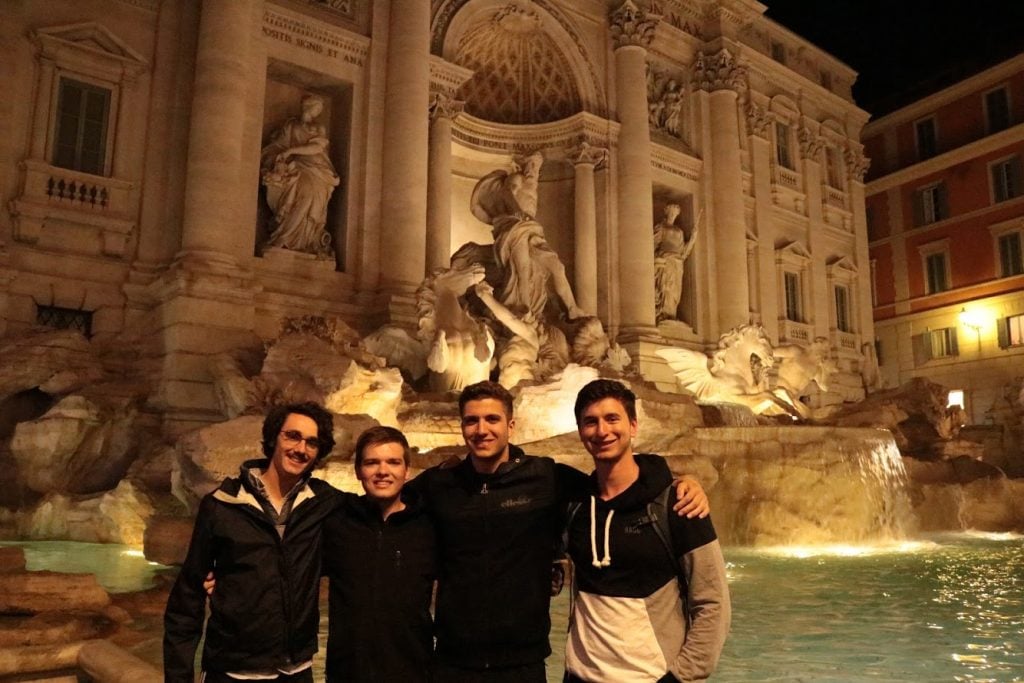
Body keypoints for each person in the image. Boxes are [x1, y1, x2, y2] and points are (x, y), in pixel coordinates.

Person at [411, 380, 710, 682]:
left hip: (523, 662)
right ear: (461, 426)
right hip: (452, 659)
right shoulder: (439, 485)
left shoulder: (544, 477)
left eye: (492, 419)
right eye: (471, 420)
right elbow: (388, 500)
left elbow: (617, 482)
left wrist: (679, 480)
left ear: (511, 425)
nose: (481, 429)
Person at [564, 380, 730, 682]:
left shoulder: (678, 504)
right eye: (591, 422)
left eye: (612, 418)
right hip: (579, 677)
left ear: (634, 425)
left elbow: (712, 603)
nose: (602, 431)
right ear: (580, 431)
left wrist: (681, 676)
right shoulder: (575, 505)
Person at [163, 402, 339, 683]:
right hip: (233, 671)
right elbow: (187, 599)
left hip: (296, 671)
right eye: (292, 436)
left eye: (312, 443)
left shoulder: (326, 504)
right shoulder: (222, 505)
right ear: (272, 438)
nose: (301, 449)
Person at [321, 426, 436, 682]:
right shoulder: (337, 523)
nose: (382, 471)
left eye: (393, 462)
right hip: (348, 674)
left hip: (413, 673)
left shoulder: (429, 528)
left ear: (407, 471)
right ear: (358, 471)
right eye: (372, 462)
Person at [470, 152, 587, 321]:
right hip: (515, 225)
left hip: (531, 229)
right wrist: (516, 211)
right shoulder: (516, 178)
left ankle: (572, 309)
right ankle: (523, 309)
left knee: (557, 267)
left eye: (537, 166)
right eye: (532, 164)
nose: (534, 169)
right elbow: (506, 192)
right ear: (523, 165)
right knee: (522, 269)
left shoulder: (534, 184)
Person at [260, 94, 340, 256]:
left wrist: (291, 151)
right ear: (309, 106)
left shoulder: (318, 128)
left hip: (316, 168)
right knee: (301, 193)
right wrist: (278, 158)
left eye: (320, 109)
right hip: (296, 167)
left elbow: (316, 148)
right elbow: (278, 145)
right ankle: (285, 237)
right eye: (317, 108)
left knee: (311, 195)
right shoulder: (291, 125)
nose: (319, 111)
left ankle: (306, 241)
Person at [653, 204, 699, 323]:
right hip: (665, 261)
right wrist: (656, 259)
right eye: (671, 213)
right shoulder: (661, 227)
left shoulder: (679, 232)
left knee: (674, 291)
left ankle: (671, 313)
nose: (673, 215)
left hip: (677, 264)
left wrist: (693, 238)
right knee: (665, 287)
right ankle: (662, 313)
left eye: (675, 214)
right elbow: (652, 245)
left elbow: (683, 252)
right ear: (666, 213)